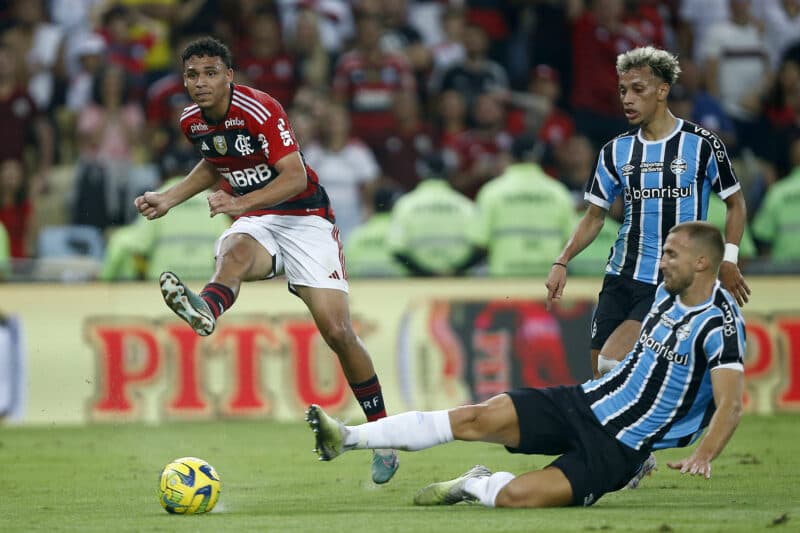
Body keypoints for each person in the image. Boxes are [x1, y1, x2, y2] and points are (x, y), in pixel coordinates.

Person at [307, 221, 746, 508]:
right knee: (474, 416)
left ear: (703, 262)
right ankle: (345, 437)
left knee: (518, 497)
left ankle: (473, 484)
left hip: (618, 450)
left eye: (672, 254)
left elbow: (730, 405)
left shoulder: (720, 325)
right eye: (664, 251)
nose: (662, 261)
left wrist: (704, 455)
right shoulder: (662, 292)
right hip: (583, 401)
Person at [133, 37, 399, 484]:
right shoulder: (190, 121)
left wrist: (241, 203)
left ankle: (383, 434)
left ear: (229, 76)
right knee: (234, 253)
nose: (201, 83)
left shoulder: (260, 110)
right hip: (258, 218)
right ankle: (207, 309)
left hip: (306, 218)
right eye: (193, 75)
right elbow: (216, 163)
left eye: (211, 73)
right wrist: (169, 198)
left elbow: (294, 176)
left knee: (337, 331)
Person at [545, 46, 750, 380]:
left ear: (662, 90)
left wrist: (728, 259)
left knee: (613, 362)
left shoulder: (702, 144)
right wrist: (561, 260)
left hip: (667, 279)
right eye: (623, 90)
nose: (627, 99)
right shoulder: (615, 150)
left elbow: (735, 203)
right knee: (600, 375)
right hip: (620, 275)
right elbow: (594, 216)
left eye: (638, 90)